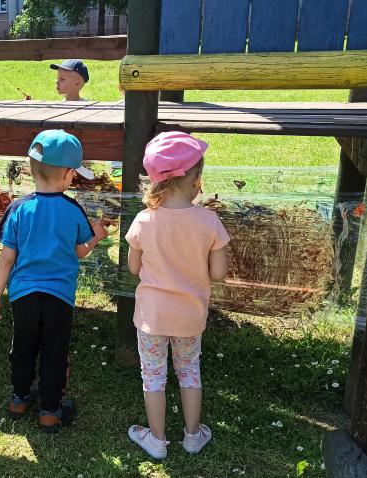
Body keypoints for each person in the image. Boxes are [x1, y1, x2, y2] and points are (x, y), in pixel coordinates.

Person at [0, 130, 107, 433]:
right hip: (59, 298)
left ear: (31, 169)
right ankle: (50, 411)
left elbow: (7, 258)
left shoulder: (18, 208)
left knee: (23, 345)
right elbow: (78, 251)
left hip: (23, 295)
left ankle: (19, 399)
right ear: (66, 175)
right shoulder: (73, 210)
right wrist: (95, 237)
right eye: (73, 173)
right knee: (54, 351)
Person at [124, 131, 230, 459]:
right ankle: (193, 436)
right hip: (189, 316)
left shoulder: (144, 219)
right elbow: (218, 273)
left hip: (152, 317)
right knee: (189, 371)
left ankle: (156, 440)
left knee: (153, 375)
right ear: (196, 179)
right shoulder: (209, 220)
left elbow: (133, 268)